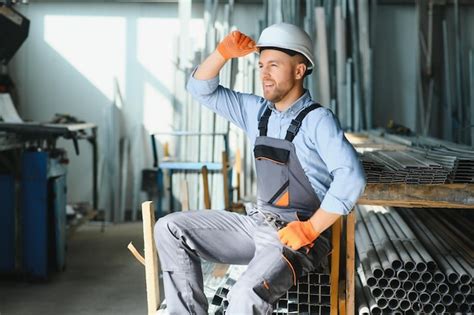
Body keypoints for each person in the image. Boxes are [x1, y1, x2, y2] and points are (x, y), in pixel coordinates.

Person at [154, 22, 366, 314]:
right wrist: (222, 53)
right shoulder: (255, 112)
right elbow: (200, 89)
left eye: (274, 65)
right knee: (169, 228)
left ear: (299, 70)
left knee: (243, 295)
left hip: (298, 237)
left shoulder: (319, 120)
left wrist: (310, 228)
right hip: (257, 224)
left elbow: (352, 177)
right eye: (261, 65)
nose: (264, 74)